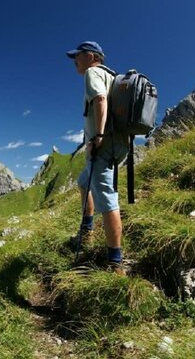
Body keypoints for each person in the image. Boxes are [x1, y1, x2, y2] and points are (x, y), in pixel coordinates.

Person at [66, 41, 128, 273]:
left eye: (78, 56)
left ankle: (115, 263)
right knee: (84, 182)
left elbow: (100, 100)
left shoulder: (93, 72)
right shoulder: (111, 76)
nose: (75, 61)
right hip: (118, 143)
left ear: (92, 56)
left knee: (107, 199)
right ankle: (88, 231)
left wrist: (98, 136)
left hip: (104, 143)